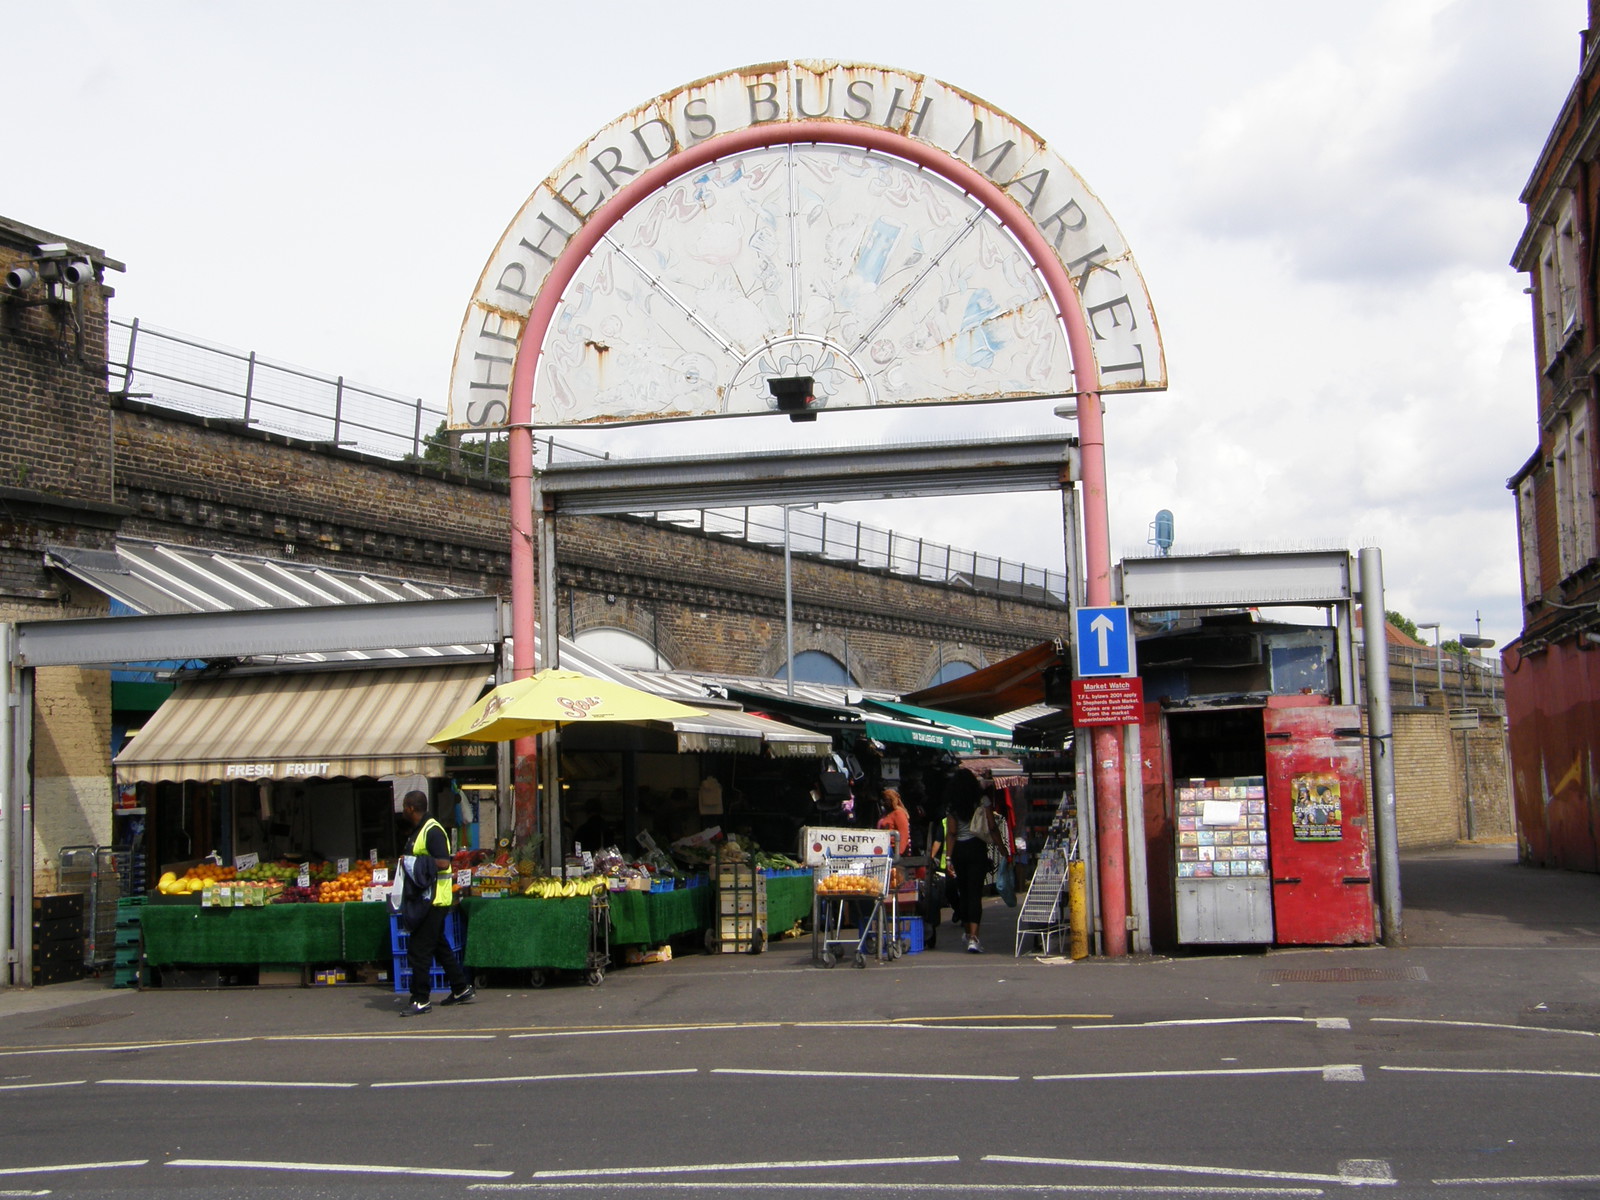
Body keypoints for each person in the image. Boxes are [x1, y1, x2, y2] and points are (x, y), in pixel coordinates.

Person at [398, 790, 472, 1015]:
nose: (403, 810)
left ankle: (420, 999)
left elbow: (442, 862)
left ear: (411, 807)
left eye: (404, 806)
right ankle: (461, 988)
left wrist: (412, 862)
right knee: (438, 944)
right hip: (427, 898)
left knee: (419, 950)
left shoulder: (432, 830)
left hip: (433, 900)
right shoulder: (421, 829)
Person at [944, 769, 991, 954]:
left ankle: (967, 933)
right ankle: (974, 937)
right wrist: (1003, 849)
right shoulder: (982, 802)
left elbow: (952, 833)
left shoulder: (952, 806)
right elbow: (992, 827)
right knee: (975, 893)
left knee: (963, 892)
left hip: (959, 851)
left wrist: (948, 858)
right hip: (977, 848)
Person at [876, 788, 909, 856]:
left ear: (892, 800)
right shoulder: (885, 814)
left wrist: (898, 854)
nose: (883, 803)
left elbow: (904, 835)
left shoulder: (899, 813)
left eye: (885, 800)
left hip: (894, 850)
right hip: (883, 847)